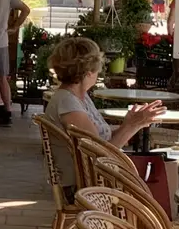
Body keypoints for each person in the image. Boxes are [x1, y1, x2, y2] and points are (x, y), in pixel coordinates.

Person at [40, 37, 169, 201]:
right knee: (169, 176)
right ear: (89, 72)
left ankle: (175, 224)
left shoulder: (78, 97)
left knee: (165, 170)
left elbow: (98, 141)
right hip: (86, 186)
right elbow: (100, 155)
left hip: (96, 178)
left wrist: (132, 124)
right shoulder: (68, 104)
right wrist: (132, 125)